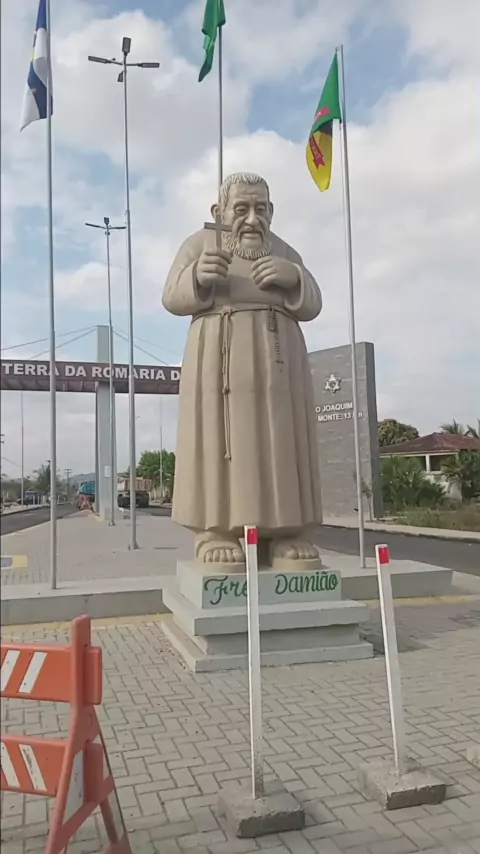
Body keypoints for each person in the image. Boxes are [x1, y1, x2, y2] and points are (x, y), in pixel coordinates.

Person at [163, 172, 323, 569]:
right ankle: (215, 531)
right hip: (218, 366)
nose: (253, 219)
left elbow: (313, 304)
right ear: (219, 211)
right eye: (241, 208)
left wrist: (295, 278)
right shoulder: (201, 244)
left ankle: (285, 532)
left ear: (272, 212)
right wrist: (197, 277)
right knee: (219, 444)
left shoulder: (285, 251)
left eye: (261, 209)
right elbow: (171, 297)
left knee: (282, 444)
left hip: (280, 369)